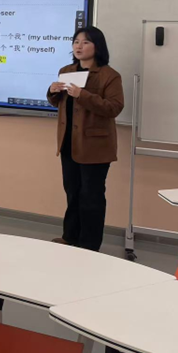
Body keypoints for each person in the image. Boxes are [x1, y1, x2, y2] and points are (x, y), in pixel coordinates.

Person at [47, 26, 124, 251]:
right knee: (72, 193)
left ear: (97, 47)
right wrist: (52, 91)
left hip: (95, 146)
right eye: (76, 42)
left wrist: (83, 95)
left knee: (91, 197)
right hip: (69, 143)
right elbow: (60, 103)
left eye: (85, 42)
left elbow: (114, 108)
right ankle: (70, 237)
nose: (79, 46)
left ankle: (89, 246)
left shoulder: (110, 75)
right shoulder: (67, 70)